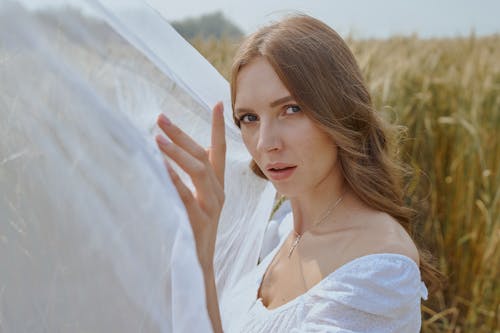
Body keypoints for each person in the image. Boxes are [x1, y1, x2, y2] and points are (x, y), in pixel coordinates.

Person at [156, 14, 436, 332]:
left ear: (339, 110)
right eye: (249, 118)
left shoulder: (378, 274)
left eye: (291, 109)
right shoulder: (285, 227)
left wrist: (200, 262)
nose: (265, 144)